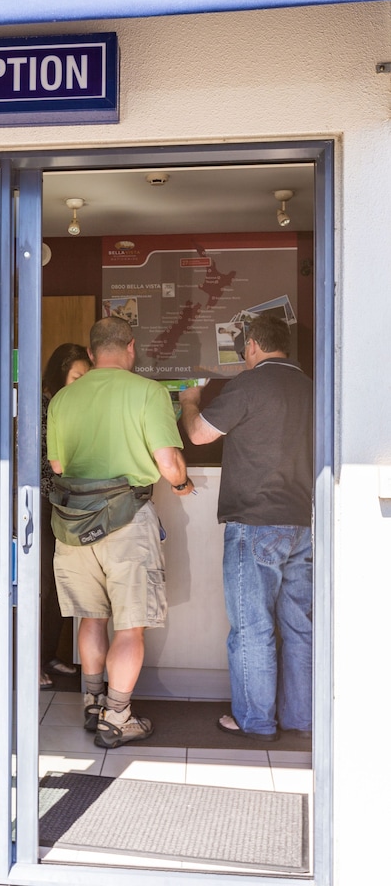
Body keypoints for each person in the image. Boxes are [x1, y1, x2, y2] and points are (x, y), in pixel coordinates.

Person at [47, 316, 194, 747]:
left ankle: (93, 704)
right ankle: (117, 717)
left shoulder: (63, 399)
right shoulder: (148, 392)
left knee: (92, 617)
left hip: (74, 523)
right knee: (130, 626)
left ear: (91, 354)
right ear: (131, 347)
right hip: (127, 519)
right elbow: (168, 463)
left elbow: (58, 465)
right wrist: (182, 484)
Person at [179, 312, 313, 742]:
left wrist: (189, 401)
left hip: (254, 522)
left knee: (252, 626)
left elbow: (199, 435)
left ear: (252, 345)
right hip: (302, 521)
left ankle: (256, 721)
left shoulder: (250, 385)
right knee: (299, 626)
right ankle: (300, 718)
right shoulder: (311, 387)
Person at [40, 343, 92, 689]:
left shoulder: (75, 407)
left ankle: (48, 655)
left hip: (65, 503)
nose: (81, 384)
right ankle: (30, 661)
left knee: (61, 582)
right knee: (42, 584)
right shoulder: (42, 406)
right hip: (40, 502)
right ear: (60, 376)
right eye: (76, 377)